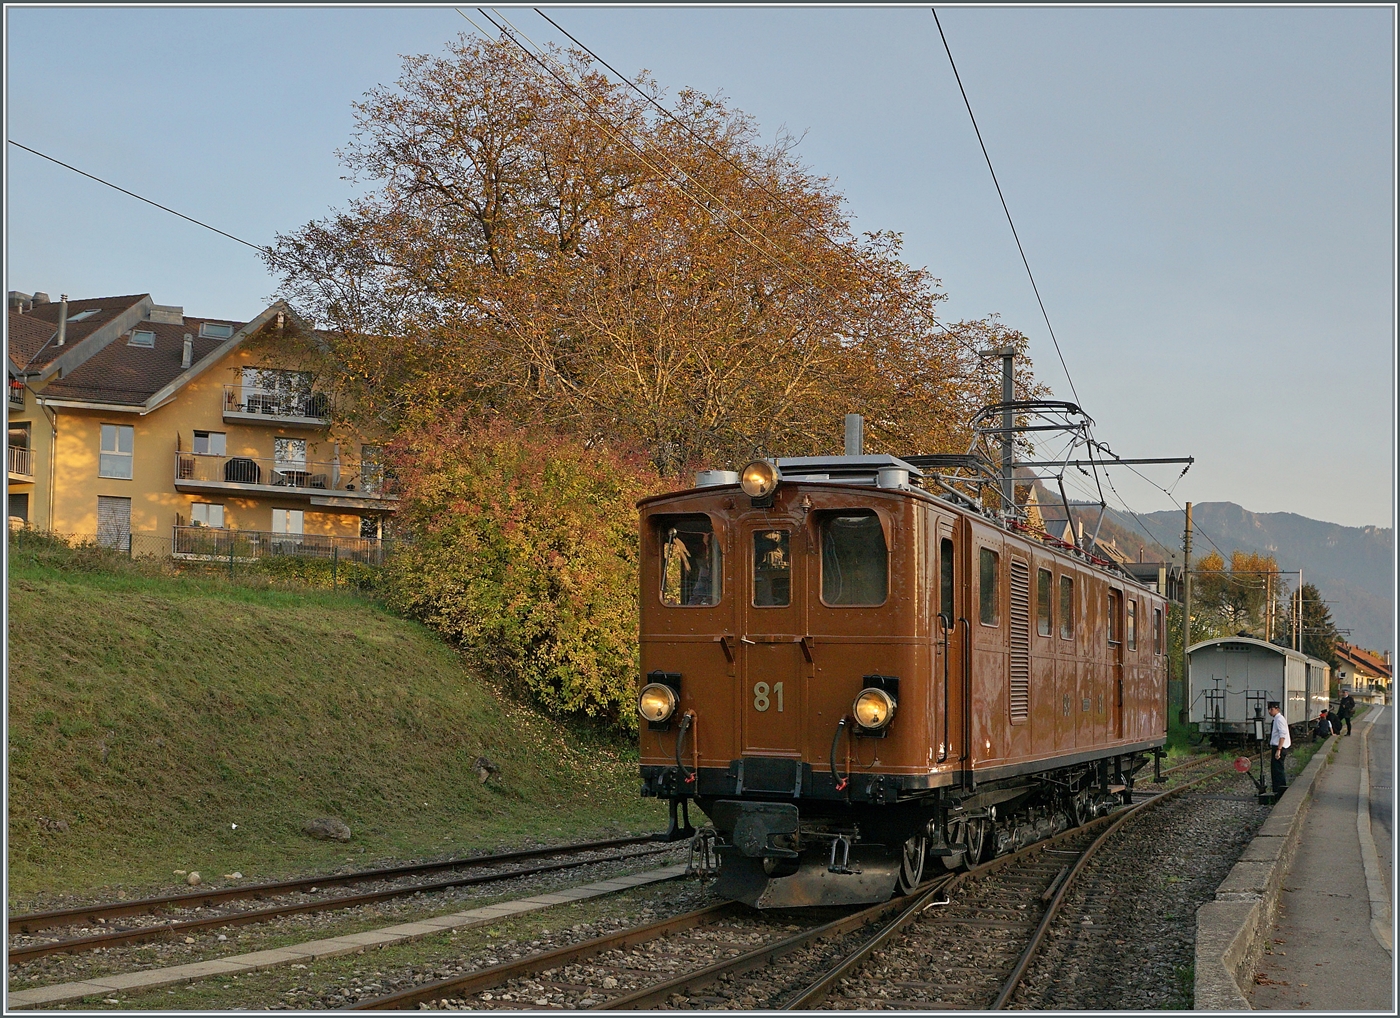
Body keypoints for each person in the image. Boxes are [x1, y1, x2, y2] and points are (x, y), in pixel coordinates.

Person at [1267, 701, 1291, 799]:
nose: (1269, 711)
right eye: (1269, 709)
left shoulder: (1279, 719)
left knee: (1278, 770)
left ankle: (1280, 790)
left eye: (1271, 709)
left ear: (1277, 709)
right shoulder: (1277, 719)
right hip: (1278, 747)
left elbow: (1282, 735)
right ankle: (1277, 789)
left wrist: (1279, 749)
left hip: (1279, 747)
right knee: (1275, 769)